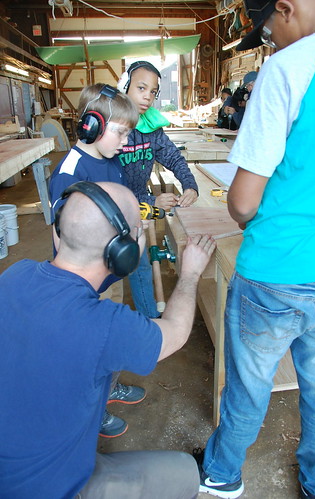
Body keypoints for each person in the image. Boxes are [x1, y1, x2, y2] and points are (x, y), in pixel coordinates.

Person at [0, 180, 216, 499]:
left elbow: (78, 286)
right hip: (50, 489)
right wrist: (190, 274)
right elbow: (176, 330)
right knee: (185, 472)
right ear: (123, 254)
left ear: (57, 232)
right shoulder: (109, 327)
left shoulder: (15, 274)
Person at [194, 1, 315, 498]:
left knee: (249, 387)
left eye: (269, 31)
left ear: (285, 9)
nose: (270, 41)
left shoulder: (288, 68)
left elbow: (243, 203)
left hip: (275, 272)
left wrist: (249, 207)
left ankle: (223, 475)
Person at [49, 83, 145, 440]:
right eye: (121, 132)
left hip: (110, 276)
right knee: (86, 349)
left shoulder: (111, 160)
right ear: (92, 125)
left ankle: (109, 388)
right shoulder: (70, 171)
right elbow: (63, 236)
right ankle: (93, 410)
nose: (125, 141)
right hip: (83, 284)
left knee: (109, 339)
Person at [117, 60, 199, 319]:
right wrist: (151, 202)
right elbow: (110, 186)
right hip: (111, 208)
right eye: (141, 88)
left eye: (153, 91)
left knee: (139, 264)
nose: (147, 97)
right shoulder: (112, 126)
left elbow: (173, 156)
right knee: (105, 273)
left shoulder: (151, 127)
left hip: (137, 208)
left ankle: (150, 321)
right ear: (125, 86)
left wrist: (190, 184)